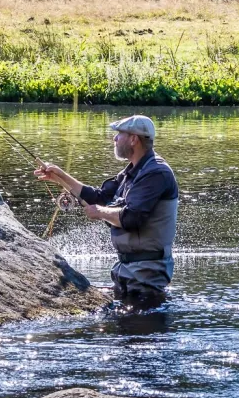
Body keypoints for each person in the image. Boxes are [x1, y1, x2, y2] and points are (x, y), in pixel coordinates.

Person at [34, 115, 179, 303]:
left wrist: (100, 212)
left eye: (119, 134)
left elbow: (132, 217)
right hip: (128, 271)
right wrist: (59, 177)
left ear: (134, 139)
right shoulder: (132, 172)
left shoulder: (157, 174)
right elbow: (99, 197)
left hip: (146, 274)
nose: (115, 139)